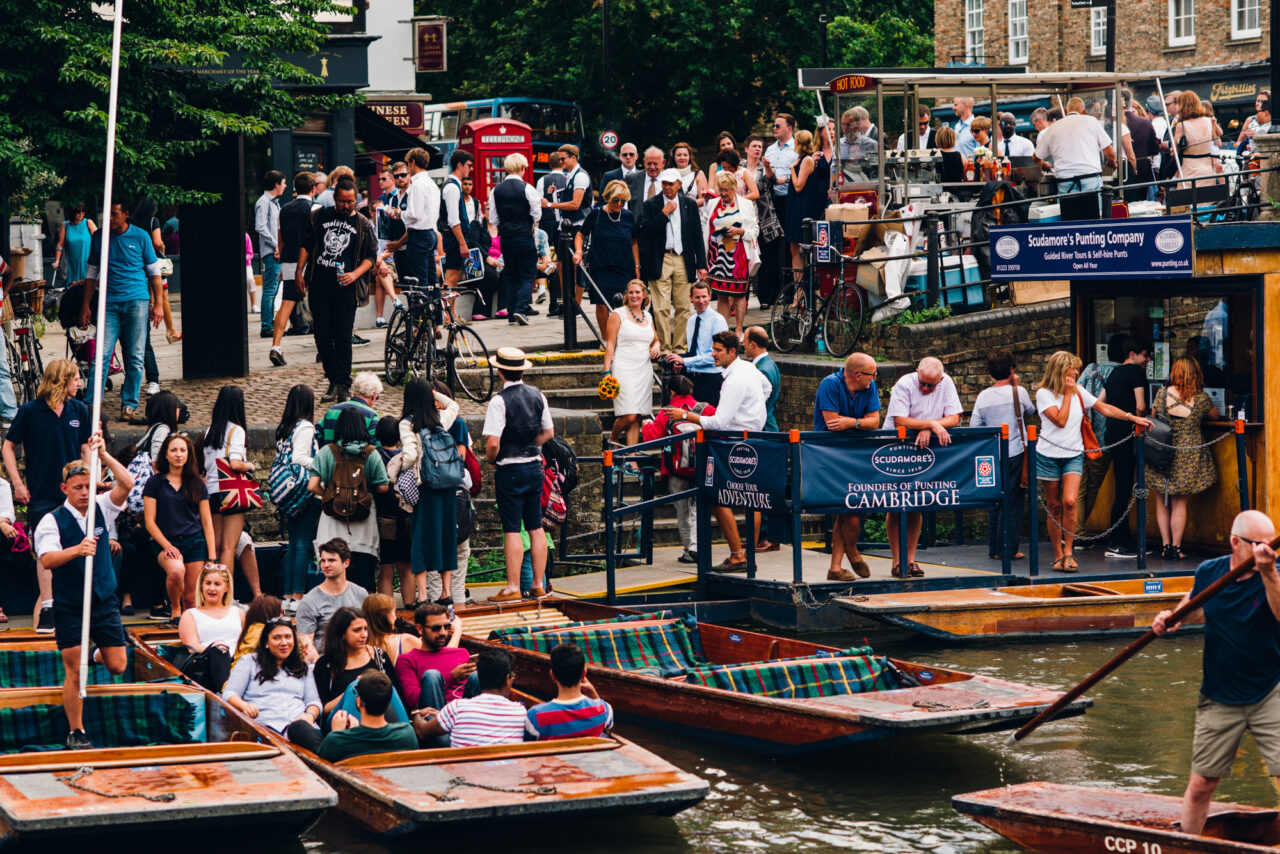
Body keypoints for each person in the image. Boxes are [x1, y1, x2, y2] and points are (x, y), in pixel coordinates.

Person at [1151, 510, 1280, 837]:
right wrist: (1172, 616)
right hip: (1220, 694)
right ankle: (1188, 845)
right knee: (1201, 784)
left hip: (1270, 691)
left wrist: (1269, 573)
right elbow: (1195, 605)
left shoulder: (1275, 572)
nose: (1269, 552)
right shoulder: (1210, 572)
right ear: (1236, 543)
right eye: (1259, 545)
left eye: (1272, 546)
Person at [35, 436, 133, 748]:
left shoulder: (102, 507)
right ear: (65, 489)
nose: (84, 494)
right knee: (75, 669)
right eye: (78, 488)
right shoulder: (51, 521)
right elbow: (47, 559)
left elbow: (127, 483)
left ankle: (94, 650)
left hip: (104, 600)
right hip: (71, 605)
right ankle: (77, 731)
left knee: (118, 665)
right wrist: (78, 549)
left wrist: (103, 454)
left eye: (88, 487)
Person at [1035, 350, 1153, 573]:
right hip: (1049, 455)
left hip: (1073, 454)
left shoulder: (1077, 390)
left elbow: (1103, 407)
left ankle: (1069, 551)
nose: (1077, 373)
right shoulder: (1044, 394)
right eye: (1073, 369)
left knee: (1070, 501)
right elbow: (1060, 420)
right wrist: (1068, 394)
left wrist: (1131, 417)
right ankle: (1058, 555)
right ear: (1061, 371)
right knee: (1054, 505)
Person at [662, 332, 766, 572]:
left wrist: (685, 416)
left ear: (732, 351)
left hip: (733, 442)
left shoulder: (734, 380)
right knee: (753, 499)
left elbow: (718, 421)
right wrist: (753, 411)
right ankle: (746, 554)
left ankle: (738, 555)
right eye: (713, 349)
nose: (713, 354)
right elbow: (767, 387)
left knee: (718, 497)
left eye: (718, 350)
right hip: (753, 439)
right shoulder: (748, 369)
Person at [3, 360, 92, 632]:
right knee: (45, 550)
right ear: (62, 380)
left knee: (80, 549)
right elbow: (8, 447)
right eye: (75, 378)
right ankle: (49, 608)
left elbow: (86, 446)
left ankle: (82, 609)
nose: (79, 383)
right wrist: (17, 483)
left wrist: (91, 479)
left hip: (75, 493)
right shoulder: (30, 411)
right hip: (41, 493)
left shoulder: (80, 410)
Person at [81, 199, 164, 422]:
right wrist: (86, 305)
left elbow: (154, 272)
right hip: (109, 303)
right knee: (101, 356)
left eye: (114, 215)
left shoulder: (141, 236)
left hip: (137, 301)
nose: (109, 219)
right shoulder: (99, 237)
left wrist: (158, 304)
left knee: (135, 356)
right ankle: (91, 404)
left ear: (125, 214)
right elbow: (91, 273)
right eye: (107, 214)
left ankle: (129, 404)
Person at [295, 179, 377, 403]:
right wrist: (298, 272)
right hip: (320, 285)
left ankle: (343, 384)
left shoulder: (362, 223)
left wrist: (355, 274)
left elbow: (371, 256)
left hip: (345, 289)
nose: (346, 206)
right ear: (335, 198)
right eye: (342, 201)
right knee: (322, 337)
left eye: (351, 202)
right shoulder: (319, 215)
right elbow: (307, 243)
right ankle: (333, 379)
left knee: (342, 337)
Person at [483, 348, 554, 602]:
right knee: (536, 526)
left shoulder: (499, 401)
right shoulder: (538, 395)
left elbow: (493, 443)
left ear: (501, 372)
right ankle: (538, 584)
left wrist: (493, 460)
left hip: (510, 468)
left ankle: (513, 587)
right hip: (534, 466)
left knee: (512, 528)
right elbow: (549, 433)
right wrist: (531, 444)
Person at [883, 357, 964, 578]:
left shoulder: (946, 383)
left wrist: (931, 427)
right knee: (895, 504)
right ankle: (897, 561)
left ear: (940, 379)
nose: (926, 388)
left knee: (917, 503)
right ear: (917, 372)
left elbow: (955, 417)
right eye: (923, 383)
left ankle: (910, 560)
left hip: (925, 447)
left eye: (931, 385)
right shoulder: (904, 384)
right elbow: (900, 419)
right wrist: (932, 423)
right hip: (897, 447)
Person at [813, 352, 881, 581]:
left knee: (850, 511)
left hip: (855, 454)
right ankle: (851, 554)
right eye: (872, 374)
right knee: (845, 511)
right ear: (858, 375)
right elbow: (833, 423)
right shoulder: (830, 385)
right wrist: (861, 423)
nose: (874, 379)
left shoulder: (868, 386)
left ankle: (835, 567)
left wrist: (853, 422)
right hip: (829, 455)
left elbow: (875, 421)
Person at [309, 408, 390, 591]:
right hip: (364, 524)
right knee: (364, 579)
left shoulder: (326, 452)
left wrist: (329, 494)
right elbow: (383, 486)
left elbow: (312, 485)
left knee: (334, 580)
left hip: (332, 524)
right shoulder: (371, 453)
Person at [1148, 357, 1219, 562]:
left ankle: (1165, 546)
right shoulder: (1202, 397)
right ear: (1195, 374)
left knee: (1162, 500)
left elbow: (1153, 415)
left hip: (1162, 450)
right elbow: (1214, 416)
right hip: (1188, 452)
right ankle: (1176, 548)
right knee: (1180, 503)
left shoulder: (1162, 394)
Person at [397, 378, 461, 601]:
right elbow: (454, 405)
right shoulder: (440, 419)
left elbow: (411, 455)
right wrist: (434, 394)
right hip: (447, 487)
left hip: (425, 488)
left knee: (421, 538)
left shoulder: (407, 424)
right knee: (446, 536)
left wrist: (399, 466)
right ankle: (446, 592)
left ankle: (423, 595)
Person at [641, 374, 715, 565]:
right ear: (690, 390)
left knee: (682, 510)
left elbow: (651, 438)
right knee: (698, 507)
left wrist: (645, 427)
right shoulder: (705, 409)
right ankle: (698, 547)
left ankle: (689, 550)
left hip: (676, 470)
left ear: (671, 391)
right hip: (701, 468)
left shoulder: (668, 412)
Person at [970, 349, 1035, 562]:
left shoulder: (982, 396)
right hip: (1015, 452)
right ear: (1011, 369)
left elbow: (975, 426)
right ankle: (1008, 549)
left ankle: (994, 548)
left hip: (991, 455)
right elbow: (1031, 412)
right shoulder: (1018, 392)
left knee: (995, 502)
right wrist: (1015, 384)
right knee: (1014, 502)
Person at [222, 616, 323, 751]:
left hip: (300, 729)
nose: (284, 642)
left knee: (302, 730)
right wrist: (244, 705)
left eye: (288, 637)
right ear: (266, 643)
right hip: (264, 729)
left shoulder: (302, 667)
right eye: (277, 638)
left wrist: (309, 716)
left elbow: (314, 702)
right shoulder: (249, 662)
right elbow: (229, 694)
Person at [144, 433, 217, 619]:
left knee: (191, 599)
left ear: (188, 454)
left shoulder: (197, 484)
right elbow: (150, 522)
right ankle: (175, 609)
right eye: (174, 450)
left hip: (195, 542)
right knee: (176, 571)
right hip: (165, 542)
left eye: (183, 450)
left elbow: (207, 522)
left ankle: (189, 634)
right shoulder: (154, 483)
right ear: (166, 455)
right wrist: (167, 546)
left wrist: (212, 557)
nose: (178, 454)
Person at [639, 167, 705, 355]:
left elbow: (697, 235)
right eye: (664, 183)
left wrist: (701, 263)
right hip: (662, 258)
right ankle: (665, 348)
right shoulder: (651, 204)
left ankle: (679, 347)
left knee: (684, 306)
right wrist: (663, 214)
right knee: (661, 307)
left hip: (683, 258)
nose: (667, 187)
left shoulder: (689, 204)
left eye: (670, 184)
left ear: (679, 184)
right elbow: (645, 230)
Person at [1099, 336, 1152, 560]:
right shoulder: (1136, 373)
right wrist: (1141, 420)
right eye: (1145, 355)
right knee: (1124, 489)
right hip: (1130, 435)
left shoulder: (1112, 373)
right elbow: (1140, 406)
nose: (1148, 360)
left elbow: (1100, 401)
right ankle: (1118, 542)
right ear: (1132, 354)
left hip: (1113, 433)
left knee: (1121, 487)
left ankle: (1121, 539)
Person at [413, 647, 526, 748]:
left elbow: (421, 731)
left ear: (480, 678)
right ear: (507, 679)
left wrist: (417, 713)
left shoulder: (457, 707)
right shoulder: (520, 712)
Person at [313, 606, 405, 726]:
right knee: (358, 685)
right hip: (340, 720)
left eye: (366, 629)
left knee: (387, 686)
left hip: (379, 716)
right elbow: (324, 709)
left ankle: (406, 733)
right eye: (357, 630)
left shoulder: (379, 657)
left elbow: (395, 694)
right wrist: (352, 690)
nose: (364, 635)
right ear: (342, 634)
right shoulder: (325, 664)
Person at [202, 386, 257, 586]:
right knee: (228, 547)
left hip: (212, 492)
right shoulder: (237, 430)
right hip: (231, 492)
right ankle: (226, 594)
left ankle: (211, 589)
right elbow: (234, 463)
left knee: (215, 547)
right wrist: (250, 466)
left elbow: (207, 465)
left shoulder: (211, 431)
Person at [1034, 97, 1117, 221]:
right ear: (1083, 112)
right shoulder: (1091, 121)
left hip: (1065, 183)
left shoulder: (1054, 127)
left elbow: (1035, 157)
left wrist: (1044, 164)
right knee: (1095, 220)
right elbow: (1110, 153)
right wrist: (1111, 163)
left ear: (1066, 112)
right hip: (1090, 181)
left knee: (1070, 222)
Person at [574, 179, 639, 334]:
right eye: (616, 200)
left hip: (624, 267)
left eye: (623, 201)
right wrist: (578, 252)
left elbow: (634, 241)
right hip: (601, 266)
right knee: (602, 304)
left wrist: (637, 266)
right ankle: (605, 337)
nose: (619, 204)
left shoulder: (628, 216)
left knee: (625, 304)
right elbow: (580, 235)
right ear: (608, 197)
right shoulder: (596, 214)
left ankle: (621, 335)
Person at [268, 171, 319, 368]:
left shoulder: (285, 209)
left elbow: (280, 240)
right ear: (314, 188)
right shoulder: (317, 208)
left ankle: (276, 346)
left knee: (286, 304)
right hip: (310, 262)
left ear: (296, 188)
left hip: (289, 260)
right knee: (317, 304)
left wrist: (282, 262)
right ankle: (320, 349)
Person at [276, 385, 320, 613]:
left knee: (294, 544)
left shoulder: (286, 427)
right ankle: (298, 596)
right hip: (304, 492)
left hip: (288, 491)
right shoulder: (305, 427)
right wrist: (321, 464)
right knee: (303, 545)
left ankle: (287, 595)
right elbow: (300, 458)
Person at [487, 153, 542, 326]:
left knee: (510, 275)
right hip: (524, 236)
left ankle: (511, 313)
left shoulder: (496, 190)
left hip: (506, 238)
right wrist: (529, 223)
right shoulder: (527, 188)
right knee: (528, 275)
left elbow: (493, 218)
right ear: (522, 168)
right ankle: (520, 309)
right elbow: (536, 213)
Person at [603, 280, 659, 448]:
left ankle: (632, 459)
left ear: (644, 295)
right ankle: (613, 437)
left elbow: (655, 340)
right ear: (627, 295)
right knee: (630, 414)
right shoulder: (617, 314)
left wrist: (656, 347)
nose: (634, 296)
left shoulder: (648, 316)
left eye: (637, 292)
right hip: (624, 367)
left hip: (643, 370)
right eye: (631, 292)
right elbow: (610, 345)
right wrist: (606, 372)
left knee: (638, 416)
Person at [705, 170, 760, 338]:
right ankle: (723, 330)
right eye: (721, 190)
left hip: (739, 255)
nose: (723, 193)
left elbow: (755, 230)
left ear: (735, 188)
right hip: (718, 254)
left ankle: (738, 329)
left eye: (726, 190)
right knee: (721, 294)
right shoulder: (713, 203)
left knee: (739, 293)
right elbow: (705, 227)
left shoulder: (745, 204)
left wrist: (740, 231)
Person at [297, 538, 369, 661]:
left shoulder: (360, 594)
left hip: (359, 658)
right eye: (323, 560)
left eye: (331, 560)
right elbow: (305, 644)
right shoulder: (309, 601)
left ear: (346, 563)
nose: (326, 565)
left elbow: (369, 632)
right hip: (326, 661)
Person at [319, 671, 418, 761]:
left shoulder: (336, 741)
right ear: (390, 700)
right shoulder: (408, 734)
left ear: (359, 701)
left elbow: (321, 769)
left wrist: (338, 733)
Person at [396, 602, 476, 711]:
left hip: (466, 711)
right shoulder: (407, 660)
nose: (443, 632)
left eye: (446, 626)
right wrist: (451, 678)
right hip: (435, 716)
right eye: (436, 628)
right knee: (432, 676)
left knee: (476, 676)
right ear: (420, 629)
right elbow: (413, 701)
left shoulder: (461, 653)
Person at [525, 642, 614, 740]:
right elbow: (608, 725)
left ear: (552, 675)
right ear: (584, 673)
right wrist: (594, 694)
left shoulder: (535, 715)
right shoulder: (604, 710)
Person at [176, 564, 243, 691]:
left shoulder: (238, 612)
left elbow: (248, 641)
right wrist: (216, 647)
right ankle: (226, 696)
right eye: (208, 583)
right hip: (206, 665)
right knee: (220, 650)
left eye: (217, 584)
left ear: (227, 587)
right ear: (201, 586)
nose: (212, 588)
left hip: (238, 664)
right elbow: (192, 646)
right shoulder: (190, 614)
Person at [373, 416, 415, 603]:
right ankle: (410, 605)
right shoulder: (406, 455)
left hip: (383, 519)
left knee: (386, 570)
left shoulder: (374, 455)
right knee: (406, 568)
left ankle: (386, 611)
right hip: (406, 516)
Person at [665, 282, 727, 406]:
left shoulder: (718, 321)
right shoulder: (691, 320)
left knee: (709, 419)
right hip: (693, 378)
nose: (701, 301)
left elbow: (715, 356)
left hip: (711, 378)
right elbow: (695, 351)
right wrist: (680, 362)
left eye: (704, 296)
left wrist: (685, 361)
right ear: (691, 298)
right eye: (697, 297)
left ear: (710, 296)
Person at [761, 113, 798, 311]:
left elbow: (803, 174)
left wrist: (786, 180)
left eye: (778, 125)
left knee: (791, 247)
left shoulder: (797, 148)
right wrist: (768, 171)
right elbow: (768, 178)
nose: (774, 128)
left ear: (789, 128)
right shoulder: (770, 149)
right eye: (773, 125)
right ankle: (770, 294)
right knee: (771, 247)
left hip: (791, 200)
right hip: (773, 201)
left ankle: (791, 292)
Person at [786, 126, 832, 281]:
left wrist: (791, 169)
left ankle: (804, 287)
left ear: (799, 143)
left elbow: (799, 185)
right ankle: (798, 286)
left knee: (802, 247)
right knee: (794, 248)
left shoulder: (807, 160)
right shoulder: (801, 159)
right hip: (795, 205)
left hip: (803, 206)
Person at [254, 170, 285, 339]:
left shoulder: (274, 203)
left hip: (275, 251)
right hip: (271, 252)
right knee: (270, 289)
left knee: (273, 289)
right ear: (276, 184)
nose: (285, 186)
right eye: (283, 183)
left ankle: (269, 324)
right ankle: (266, 326)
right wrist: (276, 245)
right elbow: (260, 226)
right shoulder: (264, 202)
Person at [438, 150, 475, 291]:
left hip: (453, 238)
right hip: (453, 238)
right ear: (459, 165)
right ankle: (446, 313)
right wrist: (462, 243)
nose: (470, 169)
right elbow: (453, 220)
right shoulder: (452, 187)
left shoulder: (454, 185)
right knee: (451, 278)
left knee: (455, 278)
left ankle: (451, 311)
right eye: (469, 165)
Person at [318, 371, 381, 446]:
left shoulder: (333, 410)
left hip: (328, 456)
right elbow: (376, 447)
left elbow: (317, 433)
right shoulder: (372, 416)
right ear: (373, 396)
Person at [1174, 90, 1218, 190]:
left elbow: (1175, 152)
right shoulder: (1208, 121)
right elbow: (1217, 140)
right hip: (1207, 168)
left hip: (1189, 169)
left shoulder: (1182, 126)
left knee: (1187, 202)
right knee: (1207, 201)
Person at [362, 593, 419, 665]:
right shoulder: (407, 640)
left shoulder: (359, 644)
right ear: (385, 616)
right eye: (393, 612)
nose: (396, 617)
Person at [54, 203, 98, 287]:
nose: (81, 213)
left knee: (89, 289)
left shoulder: (88, 223)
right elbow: (60, 245)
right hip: (71, 266)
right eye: (78, 211)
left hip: (88, 264)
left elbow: (99, 242)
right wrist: (57, 261)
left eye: (83, 211)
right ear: (72, 212)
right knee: (72, 292)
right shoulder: (65, 225)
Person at [233, 594, 283, 667]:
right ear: (271, 612)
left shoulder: (252, 629)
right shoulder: (261, 633)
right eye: (281, 612)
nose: (282, 616)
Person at [838, 107, 880, 180]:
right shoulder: (839, 144)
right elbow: (834, 169)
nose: (845, 128)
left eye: (849, 124)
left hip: (867, 185)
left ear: (858, 125)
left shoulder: (870, 144)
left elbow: (875, 169)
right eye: (843, 124)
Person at [627, 147, 666, 217]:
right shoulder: (632, 179)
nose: (652, 167)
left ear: (663, 163)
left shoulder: (671, 180)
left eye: (655, 164)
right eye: (649, 164)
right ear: (644, 162)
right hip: (637, 226)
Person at [1236, 91, 1272, 157]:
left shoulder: (1274, 121)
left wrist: (1257, 136)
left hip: (1267, 157)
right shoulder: (1250, 120)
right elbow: (1238, 142)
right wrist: (1245, 146)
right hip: (1251, 159)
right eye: (1258, 101)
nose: (1258, 104)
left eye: (1262, 102)